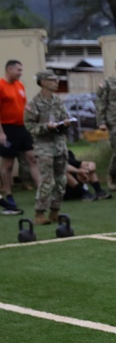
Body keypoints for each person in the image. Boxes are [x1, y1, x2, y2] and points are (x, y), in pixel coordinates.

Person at [23, 71, 72, 225]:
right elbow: (29, 125)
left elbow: (64, 118)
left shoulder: (57, 101)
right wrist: (46, 127)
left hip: (59, 145)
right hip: (44, 147)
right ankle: (40, 213)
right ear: (43, 82)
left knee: (61, 180)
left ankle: (55, 211)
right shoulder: (34, 104)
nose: (56, 82)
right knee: (47, 181)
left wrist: (65, 124)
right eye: (52, 80)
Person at [0, 59, 41, 214]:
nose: (20, 73)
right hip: (7, 128)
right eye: (18, 70)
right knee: (8, 164)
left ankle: (41, 192)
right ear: (9, 69)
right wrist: (1, 133)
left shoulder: (20, 86)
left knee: (32, 158)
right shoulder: (1, 86)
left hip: (22, 127)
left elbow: (24, 106)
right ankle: (8, 194)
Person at [95, 57, 116, 190]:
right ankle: (111, 175)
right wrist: (101, 122)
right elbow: (100, 103)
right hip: (113, 120)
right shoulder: (107, 83)